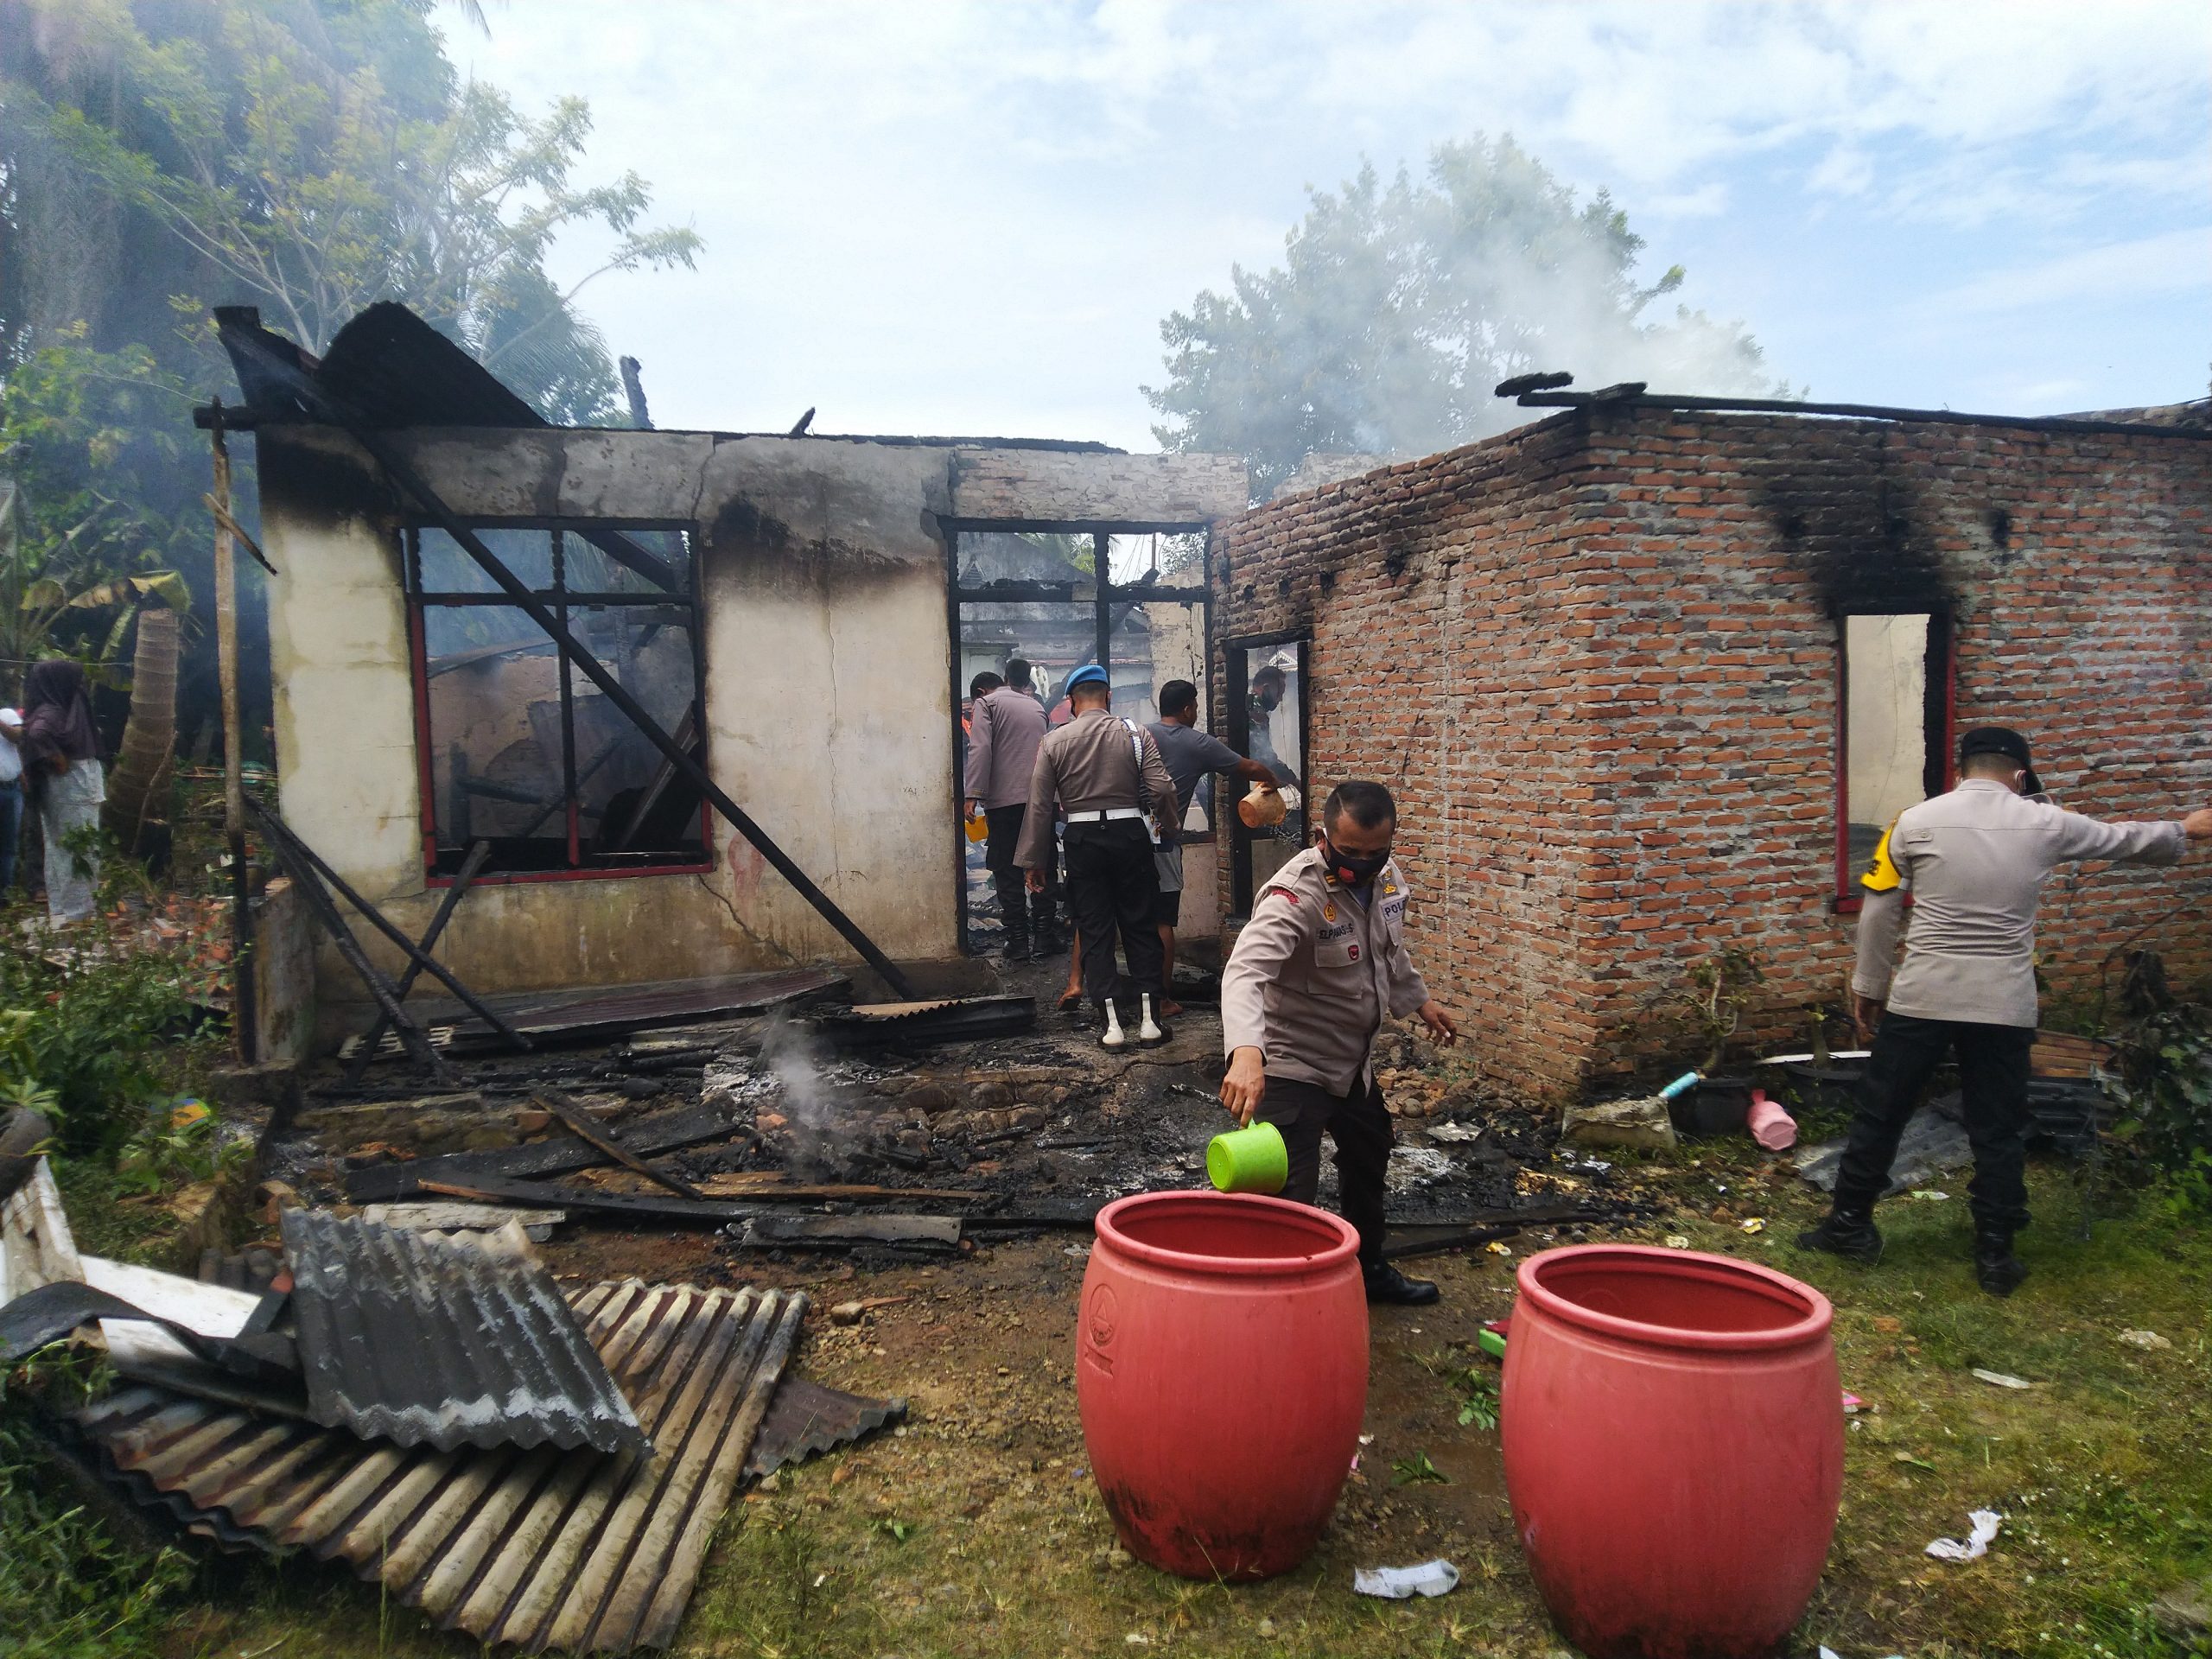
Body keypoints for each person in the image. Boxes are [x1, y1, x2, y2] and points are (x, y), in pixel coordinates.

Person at [1799, 726, 2212, 1295]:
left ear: (1961, 771)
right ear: (2021, 777)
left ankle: (1848, 1228)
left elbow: (1878, 912)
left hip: (1923, 996)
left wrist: (1868, 985)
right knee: (1997, 1128)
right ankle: (1995, 1255)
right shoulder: (2046, 822)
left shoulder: (1912, 822)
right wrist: (2184, 829)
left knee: (1881, 1112)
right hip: (2002, 1003)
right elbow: (2123, 840)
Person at [1219, 779, 1461, 1306]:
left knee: (1369, 1159)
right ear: (1323, 837)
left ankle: (1369, 1270)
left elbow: (1387, 954)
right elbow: (1245, 973)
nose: (1362, 865)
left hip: (1353, 1065)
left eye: (1377, 853)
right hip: (1291, 1064)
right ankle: (1276, 1302)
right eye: (1350, 853)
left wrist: (1420, 1001)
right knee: (1286, 1192)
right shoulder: (1295, 895)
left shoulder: (1386, 879)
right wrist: (1245, 1053)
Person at [1018, 663, 1177, 1047]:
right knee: (1140, 924)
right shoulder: (1136, 734)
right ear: (1109, 696)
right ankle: (1149, 1021)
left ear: (1072, 702)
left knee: (1094, 928)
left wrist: (1034, 860)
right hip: (1130, 835)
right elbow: (1162, 789)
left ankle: (1111, 1026)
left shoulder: (1054, 741)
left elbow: (1039, 805)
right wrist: (1169, 828)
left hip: (1082, 839)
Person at [1143, 678, 1276, 1016]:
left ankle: (1095, 989)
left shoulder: (1138, 735)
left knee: (1115, 912)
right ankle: (1160, 1000)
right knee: (1162, 920)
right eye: (1196, 706)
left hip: (1125, 835)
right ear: (1188, 708)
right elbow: (1248, 767)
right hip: (1162, 842)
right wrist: (1272, 780)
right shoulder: (1196, 742)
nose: (1198, 711)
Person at [963, 664, 1054, 959]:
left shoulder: (986, 704)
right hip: (1040, 802)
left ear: (979, 693)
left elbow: (980, 749)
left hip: (1004, 803)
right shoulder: (1036, 707)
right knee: (1044, 865)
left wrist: (972, 794)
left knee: (1007, 869)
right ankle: (1044, 937)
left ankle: (1017, 942)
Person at [20, 659, 106, 925]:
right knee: (80, 847)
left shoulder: (60, 709)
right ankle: (78, 915)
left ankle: (62, 911)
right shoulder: (52, 712)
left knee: (61, 847)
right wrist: (57, 758)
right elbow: (37, 734)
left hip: (68, 788)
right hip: (72, 788)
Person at [0, 708, 22, 893]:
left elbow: (18, 736)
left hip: (12, 789)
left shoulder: (7, 714)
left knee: (9, 844)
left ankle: (5, 892)